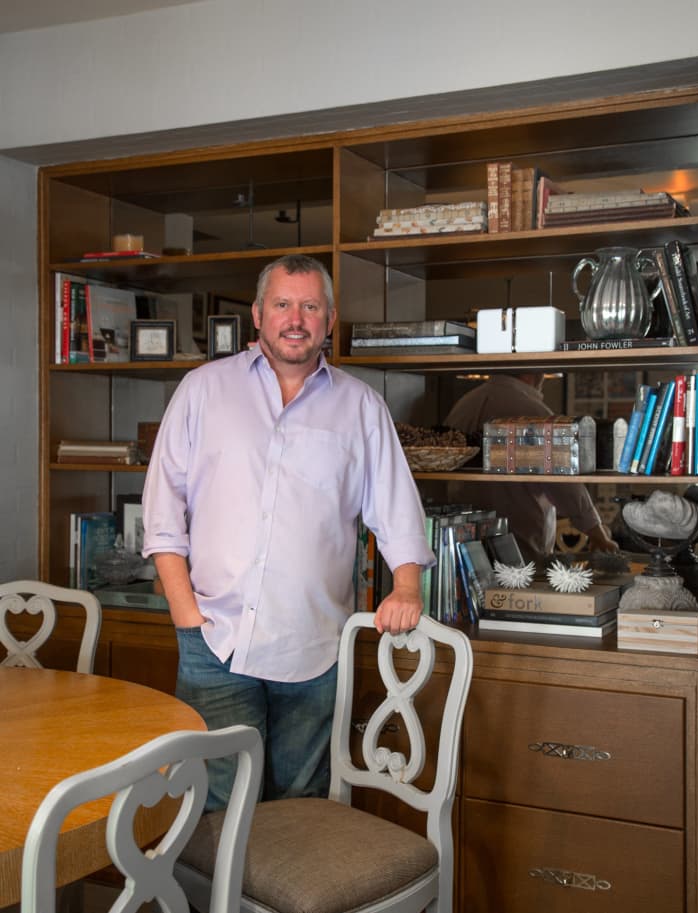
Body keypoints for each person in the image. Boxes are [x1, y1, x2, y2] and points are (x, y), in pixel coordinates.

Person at [142, 254, 434, 810]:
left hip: (315, 648)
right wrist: (186, 613)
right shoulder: (202, 390)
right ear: (257, 314)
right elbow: (162, 509)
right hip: (215, 640)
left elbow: (396, 510)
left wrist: (406, 588)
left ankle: (274, 903)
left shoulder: (361, 407)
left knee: (297, 808)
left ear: (329, 319)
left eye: (309, 306)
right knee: (214, 806)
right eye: (282, 304)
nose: (294, 319)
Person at [444, 373, 618, 565]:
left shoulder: (463, 405)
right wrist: (597, 534)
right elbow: (564, 486)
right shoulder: (532, 410)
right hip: (521, 547)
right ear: (535, 374)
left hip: (461, 547)